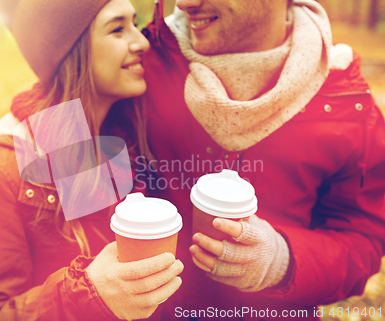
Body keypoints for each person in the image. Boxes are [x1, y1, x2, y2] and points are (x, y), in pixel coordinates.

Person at [140, 0, 385, 319]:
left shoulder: (346, 103)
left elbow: (362, 243)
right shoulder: (137, 60)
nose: (184, 3)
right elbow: (73, 190)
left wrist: (282, 260)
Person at [0, 0, 184, 320]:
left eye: (135, 22)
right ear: (70, 51)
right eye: (117, 29)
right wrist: (88, 296)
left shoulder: (130, 141)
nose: (141, 41)